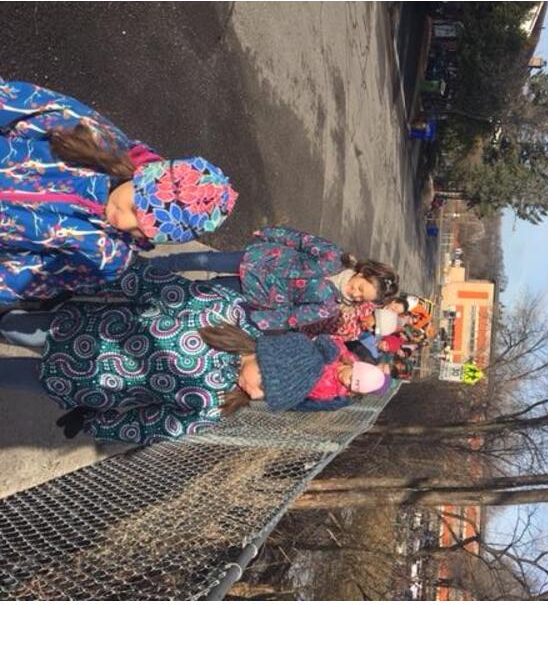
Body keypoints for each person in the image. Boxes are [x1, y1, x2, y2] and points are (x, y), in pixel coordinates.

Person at [0, 261, 386, 443]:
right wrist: (100, 275)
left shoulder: (217, 405)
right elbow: (157, 285)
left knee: (9, 375)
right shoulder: (222, 312)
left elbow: (153, 424)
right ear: (268, 357)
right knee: (13, 326)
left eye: (266, 397)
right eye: (266, 384)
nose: (257, 395)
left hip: (80, 383)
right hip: (80, 330)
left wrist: (96, 421)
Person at [0, 80, 238, 303]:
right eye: (135, 209)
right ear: (142, 176)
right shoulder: (99, 139)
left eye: (140, 232)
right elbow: (22, 104)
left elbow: (25, 279)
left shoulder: (108, 257)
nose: (124, 223)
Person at [146, 224, 399, 332]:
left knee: (208, 290)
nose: (355, 294)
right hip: (260, 259)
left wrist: (260, 320)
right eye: (360, 288)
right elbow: (301, 240)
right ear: (363, 273)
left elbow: (292, 317)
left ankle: (162, 292)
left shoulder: (329, 306)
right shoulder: (332, 256)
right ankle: (152, 266)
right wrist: (271, 233)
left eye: (361, 298)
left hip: (256, 293)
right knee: (204, 260)